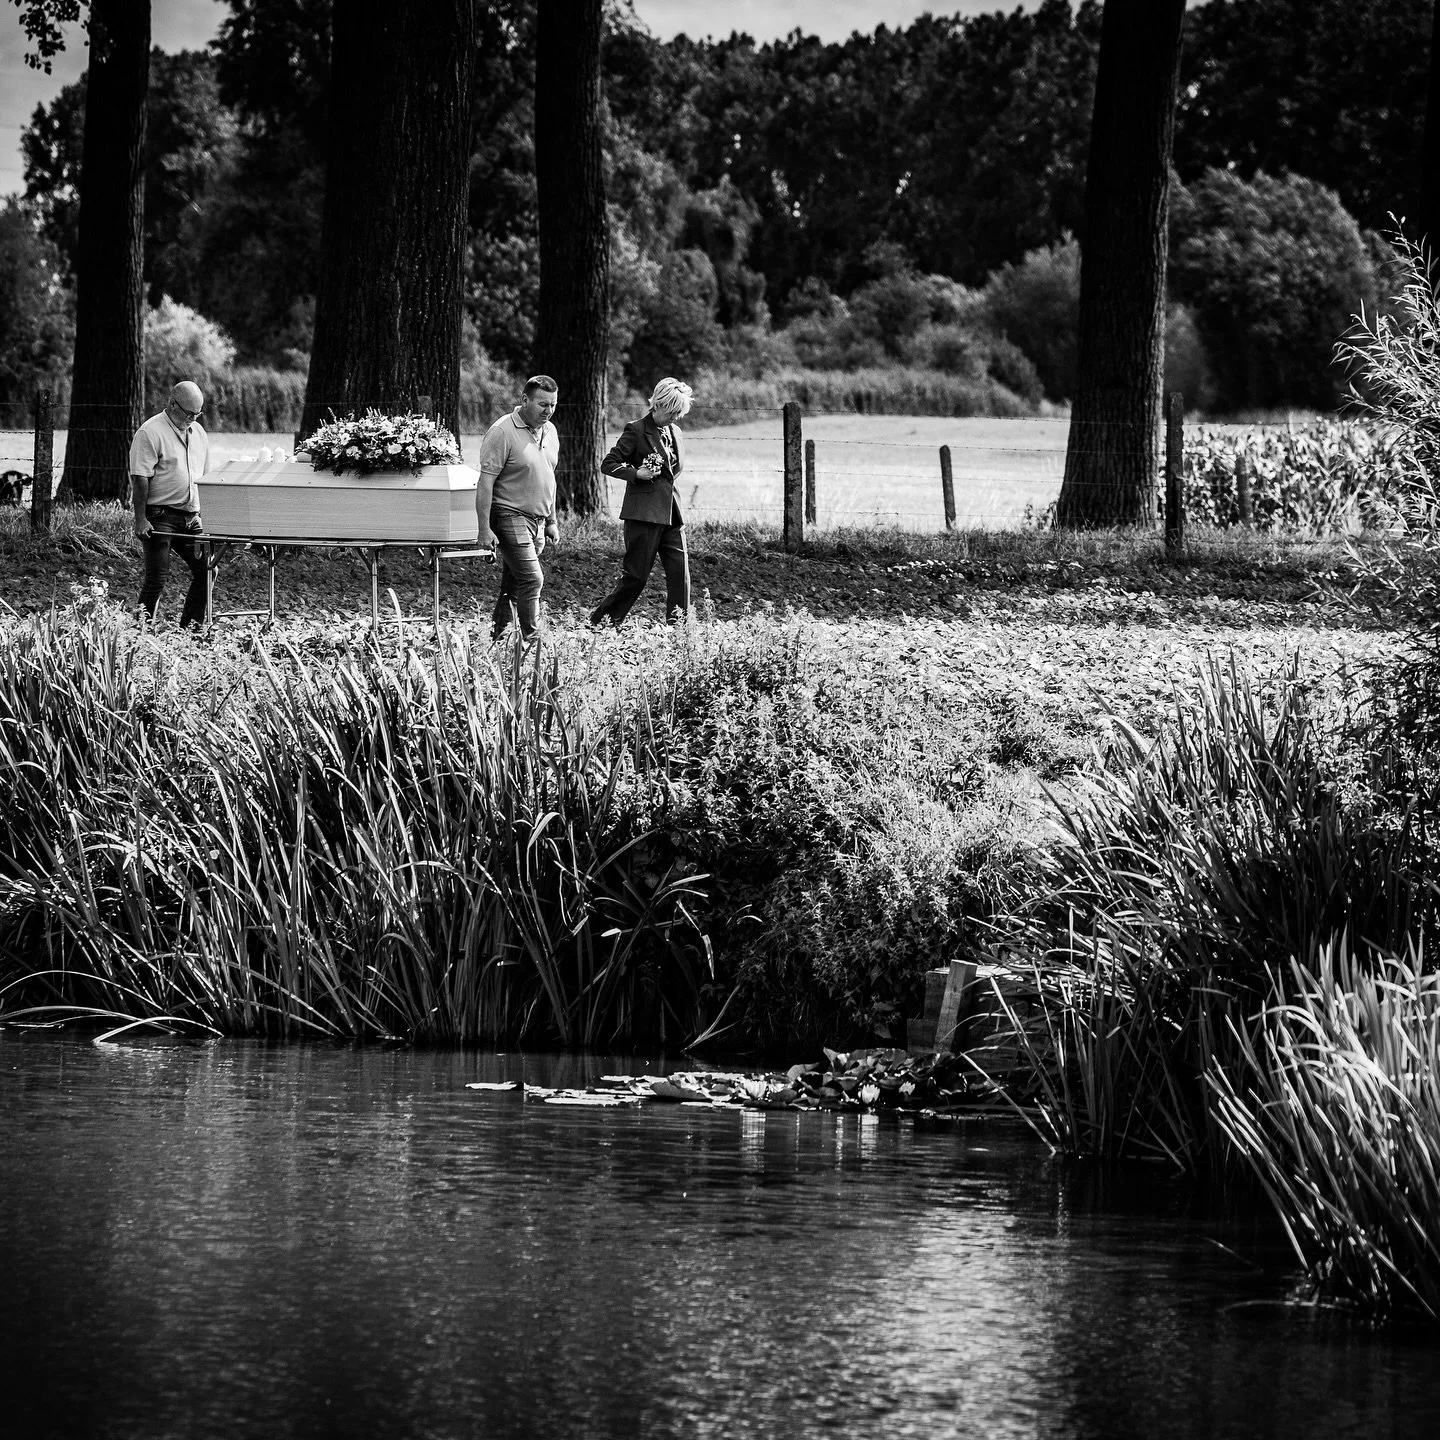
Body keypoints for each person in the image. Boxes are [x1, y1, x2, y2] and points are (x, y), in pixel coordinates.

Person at [589, 377, 693, 628]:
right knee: (636, 576)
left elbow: (673, 471)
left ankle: (679, 628)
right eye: (672, 411)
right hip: (643, 515)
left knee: (680, 574)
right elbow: (608, 464)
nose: (675, 417)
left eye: (679, 413)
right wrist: (637, 474)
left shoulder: (676, 432)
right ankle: (602, 622)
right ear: (658, 404)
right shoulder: (636, 430)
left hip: (672, 514)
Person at [476, 376, 560, 642]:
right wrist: (484, 529)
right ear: (525, 400)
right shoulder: (502, 431)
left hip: (538, 520)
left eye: (553, 405)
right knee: (532, 579)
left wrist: (551, 521)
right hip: (508, 513)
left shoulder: (550, 431)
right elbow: (485, 482)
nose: (548, 411)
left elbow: (549, 477)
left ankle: (497, 638)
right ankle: (533, 641)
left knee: (513, 584)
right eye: (542, 404)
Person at [131, 380, 210, 629]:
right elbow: (140, 478)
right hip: (160, 515)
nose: (193, 419)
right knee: (157, 577)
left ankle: (191, 630)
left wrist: (205, 516)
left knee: (208, 570)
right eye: (189, 413)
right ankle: (140, 632)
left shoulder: (199, 433)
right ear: (172, 404)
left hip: (191, 516)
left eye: (198, 414)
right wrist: (141, 519)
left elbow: (205, 476)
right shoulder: (150, 432)